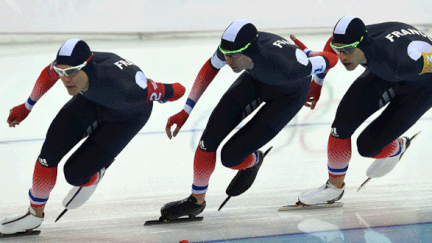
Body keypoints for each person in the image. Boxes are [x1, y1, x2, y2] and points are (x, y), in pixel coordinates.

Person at [0, 39, 185, 236]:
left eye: (70, 73)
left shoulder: (129, 88)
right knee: (49, 152)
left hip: (127, 118)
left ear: (86, 68)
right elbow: (48, 74)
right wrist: (28, 106)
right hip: (92, 101)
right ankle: (34, 215)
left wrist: (173, 106)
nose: (65, 79)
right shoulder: (69, 66)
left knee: (75, 174)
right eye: (60, 72)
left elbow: (178, 89)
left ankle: (97, 171)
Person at [160, 19, 338, 220]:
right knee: (207, 141)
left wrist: (313, 71)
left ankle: (254, 160)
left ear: (250, 52)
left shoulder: (291, 65)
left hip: (289, 96)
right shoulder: (232, 48)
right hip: (255, 80)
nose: (228, 61)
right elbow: (210, 69)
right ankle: (196, 201)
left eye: (233, 57)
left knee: (231, 158)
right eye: (225, 55)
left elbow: (332, 58)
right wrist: (186, 110)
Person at [293, 16, 432, 206]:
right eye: (339, 50)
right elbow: (330, 47)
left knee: (368, 147)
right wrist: (317, 84)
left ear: (363, 44)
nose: (342, 57)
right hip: (383, 73)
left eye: (348, 51)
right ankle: (333, 188)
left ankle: (398, 147)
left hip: (421, 89)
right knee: (341, 126)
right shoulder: (356, 42)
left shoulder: (400, 60)